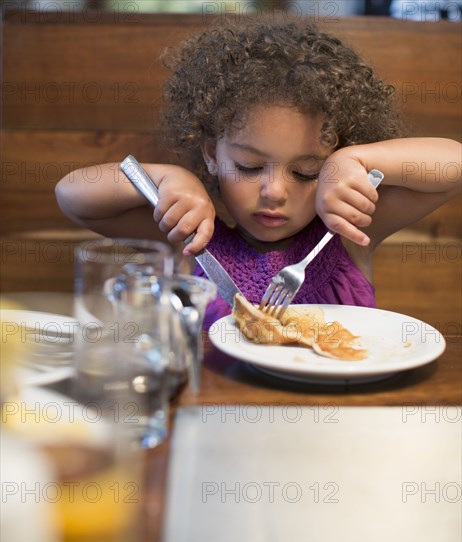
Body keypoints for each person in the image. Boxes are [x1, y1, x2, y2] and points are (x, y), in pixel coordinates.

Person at [56, 17, 461, 326]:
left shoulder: (348, 235)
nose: (274, 192)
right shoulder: (190, 240)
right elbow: (72, 195)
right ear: (212, 154)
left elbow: (454, 164)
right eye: (249, 167)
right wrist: (165, 178)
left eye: (306, 172)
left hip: (337, 425)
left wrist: (353, 162)